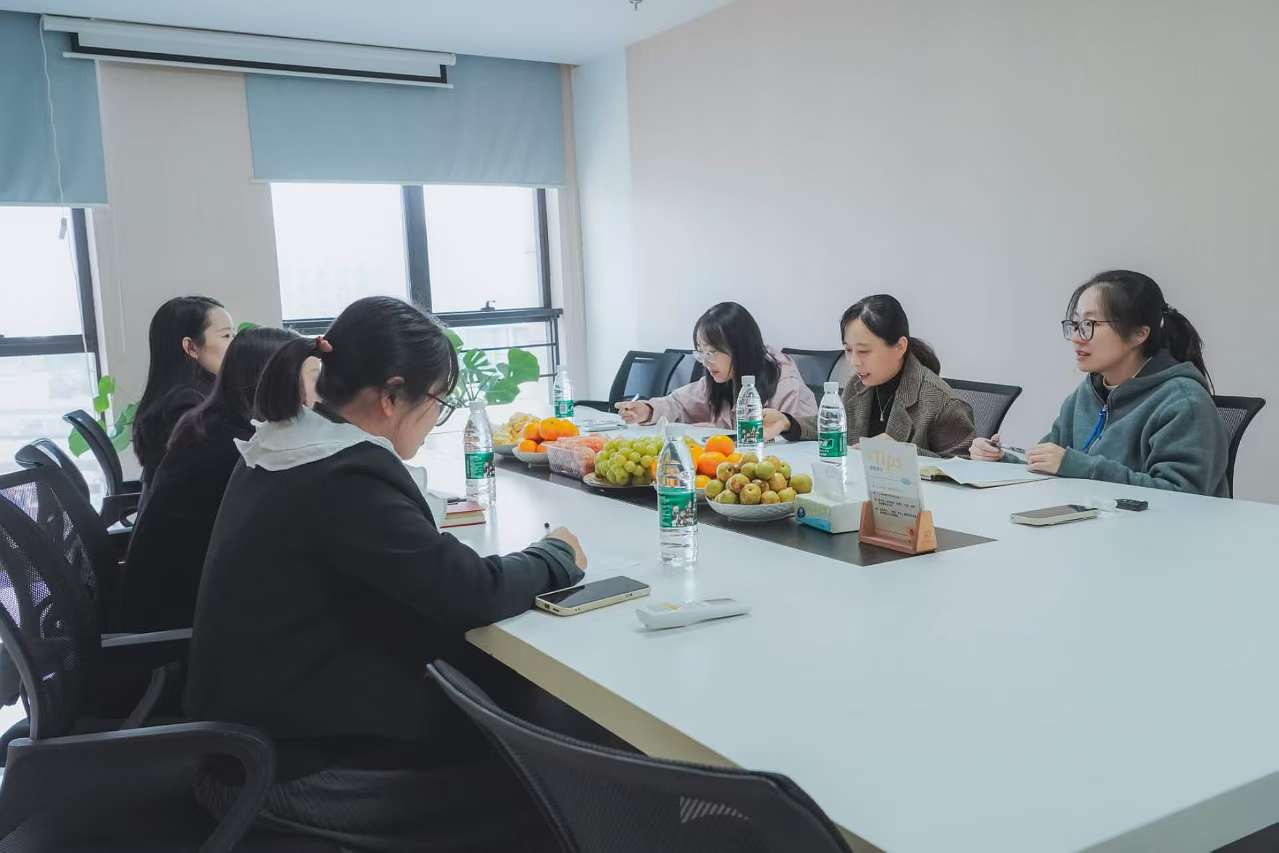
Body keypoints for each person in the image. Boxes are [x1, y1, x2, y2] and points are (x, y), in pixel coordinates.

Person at [184, 296, 586, 851]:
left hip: (252, 747)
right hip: (291, 775)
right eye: (438, 401)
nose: (436, 417)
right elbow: (471, 592)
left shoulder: (287, 444)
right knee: (567, 798)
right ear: (392, 395)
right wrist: (555, 556)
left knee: (514, 719)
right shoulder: (341, 474)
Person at [970, 270, 1229, 496]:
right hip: (1088, 527)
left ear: (1139, 333)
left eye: (1090, 324)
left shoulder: (1184, 403)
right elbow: (1050, 461)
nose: (1077, 337)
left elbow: (1183, 497)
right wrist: (1002, 458)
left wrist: (1084, 468)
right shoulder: (1087, 393)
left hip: (1158, 535)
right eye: (1075, 324)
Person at [118, 327, 307, 633]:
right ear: (276, 383)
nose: (318, 393)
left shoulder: (213, 423)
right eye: (311, 378)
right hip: (177, 623)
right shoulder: (238, 449)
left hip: (165, 603)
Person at [764, 295, 975, 456]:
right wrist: (787, 422)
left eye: (864, 351)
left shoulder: (941, 402)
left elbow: (965, 467)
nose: (854, 361)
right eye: (848, 350)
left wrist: (904, 454)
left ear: (900, 347)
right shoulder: (858, 385)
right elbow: (838, 428)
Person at [615, 301, 817, 428]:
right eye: (701, 352)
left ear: (740, 348)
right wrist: (647, 410)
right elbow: (677, 403)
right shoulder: (721, 377)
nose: (706, 361)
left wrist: (721, 432)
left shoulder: (786, 386)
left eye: (712, 352)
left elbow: (799, 441)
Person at [133, 296, 234, 485]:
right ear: (191, 347)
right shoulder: (185, 405)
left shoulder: (187, 394)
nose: (235, 344)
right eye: (226, 336)